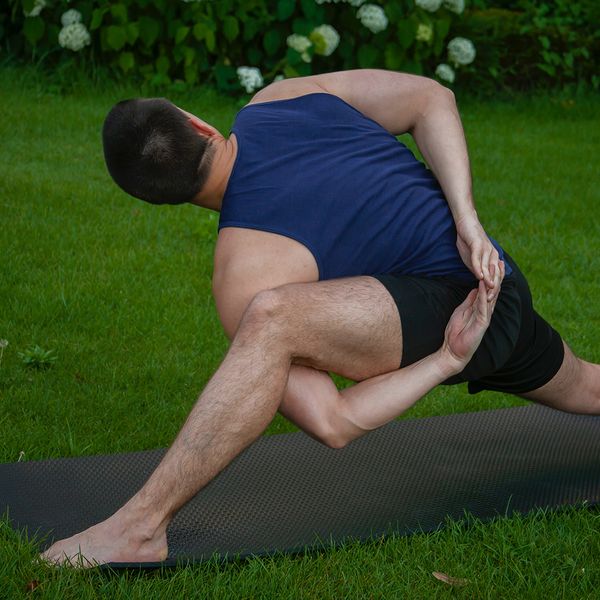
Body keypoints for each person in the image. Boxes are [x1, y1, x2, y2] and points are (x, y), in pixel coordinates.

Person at [41, 69, 599, 567]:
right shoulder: (281, 97)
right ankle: (138, 528)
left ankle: (140, 527)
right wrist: (449, 350)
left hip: (481, 291)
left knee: (587, 389)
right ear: (197, 124)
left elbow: (334, 421)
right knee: (587, 388)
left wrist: (464, 228)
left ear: (158, 199)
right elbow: (431, 95)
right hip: (485, 293)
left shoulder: (241, 276)